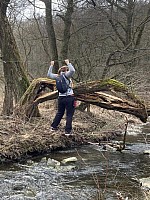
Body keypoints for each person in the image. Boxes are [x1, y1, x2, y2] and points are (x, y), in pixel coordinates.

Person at [47, 59, 75, 135]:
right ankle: (67, 131)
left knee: (60, 113)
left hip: (60, 98)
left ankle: (53, 127)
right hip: (69, 97)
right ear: (66, 70)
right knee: (69, 114)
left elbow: (49, 75)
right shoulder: (67, 75)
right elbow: (73, 71)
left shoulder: (57, 76)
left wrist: (51, 65)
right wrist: (68, 63)